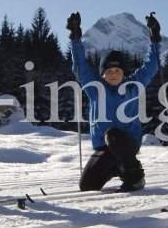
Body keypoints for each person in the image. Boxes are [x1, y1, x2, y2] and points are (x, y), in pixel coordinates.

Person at [67, 12, 160, 192]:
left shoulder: (133, 86)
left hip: (127, 143)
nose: (114, 74)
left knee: (113, 134)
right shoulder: (95, 88)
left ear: (124, 73)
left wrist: (154, 39)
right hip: (105, 147)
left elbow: (152, 66)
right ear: (102, 74)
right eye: (109, 71)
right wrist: (75, 36)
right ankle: (118, 167)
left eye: (118, 70)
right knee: (87, 186)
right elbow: (79, 67)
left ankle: (135, 176)